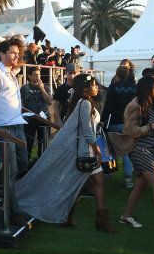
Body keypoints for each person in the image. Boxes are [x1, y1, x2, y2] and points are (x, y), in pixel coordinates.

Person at [17, 74, 117, 232]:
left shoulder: (83, 102)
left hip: (85, 150)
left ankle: (73, 216)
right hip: (86, 151)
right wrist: (97, 150)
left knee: (80, 184)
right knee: (91, 184)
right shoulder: (84, 104)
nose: (97, 87)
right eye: (94, 85)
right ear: (86, 88)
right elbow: (87, 130)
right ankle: (98, 220)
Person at [114, 75, 154, 234]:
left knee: (141, 185)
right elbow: (130, 131)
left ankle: (126, 216)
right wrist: (153, 127)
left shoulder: (153, 103)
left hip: (153, 147)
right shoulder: (135, 105)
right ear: (147, 89)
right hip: (140, 149)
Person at [0, 39, 28, 222]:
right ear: (2, 54)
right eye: (12, 52)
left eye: (17, 52)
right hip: (3, 128)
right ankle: (13, 210)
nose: (16, 55)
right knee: (10, 169)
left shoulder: (11, 73)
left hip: (17, 125)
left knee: (22, 164)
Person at [101, 65, 136, 188]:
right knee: (126, 150)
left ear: (117, 74)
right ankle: (128, 179)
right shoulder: (134, 88)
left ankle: (109, 172)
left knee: (111, 148)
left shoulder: (114, 87)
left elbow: (108, 106)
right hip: (129, 122)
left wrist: (102, 120)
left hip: (114, 121)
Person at [20, 66, 53, 162]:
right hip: (29, 119)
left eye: (39, 74)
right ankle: (28, 162)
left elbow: (50, 102)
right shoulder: (24, 88)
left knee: (43, 142)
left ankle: (41, 161)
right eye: (35, 75)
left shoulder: (46, 86)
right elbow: (20, 103)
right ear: (29, 76)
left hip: (44, 118)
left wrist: (42, 89)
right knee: (29, 142)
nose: (38, 77)